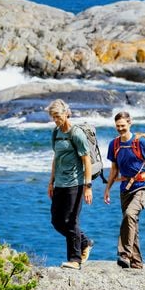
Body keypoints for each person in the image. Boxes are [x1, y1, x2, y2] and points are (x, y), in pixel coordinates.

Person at [104, 111, 145, 269]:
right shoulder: (114, 144)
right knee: (131, 224)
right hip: (125, 189)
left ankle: (124, 254)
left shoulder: (140, 142)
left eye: (123, 125)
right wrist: (107, 189)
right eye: (117, 126)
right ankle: (136, 263)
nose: (120, 129)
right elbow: (114, 170)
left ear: (130, 124)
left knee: (130, 215)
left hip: (143, 187)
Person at [47, 99, 94, 270]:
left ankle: (75, 259)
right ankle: (85, 242)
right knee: (57, 221)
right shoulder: (56, 132)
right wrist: (51, 181)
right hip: (59, 183)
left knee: (71, 220)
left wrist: (88, 186)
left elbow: (86, 160)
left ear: (66, 113)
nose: (56, 120)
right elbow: (56, 158)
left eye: (58, 116)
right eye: (53, 117)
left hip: (75, 183)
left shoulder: (76, 133)